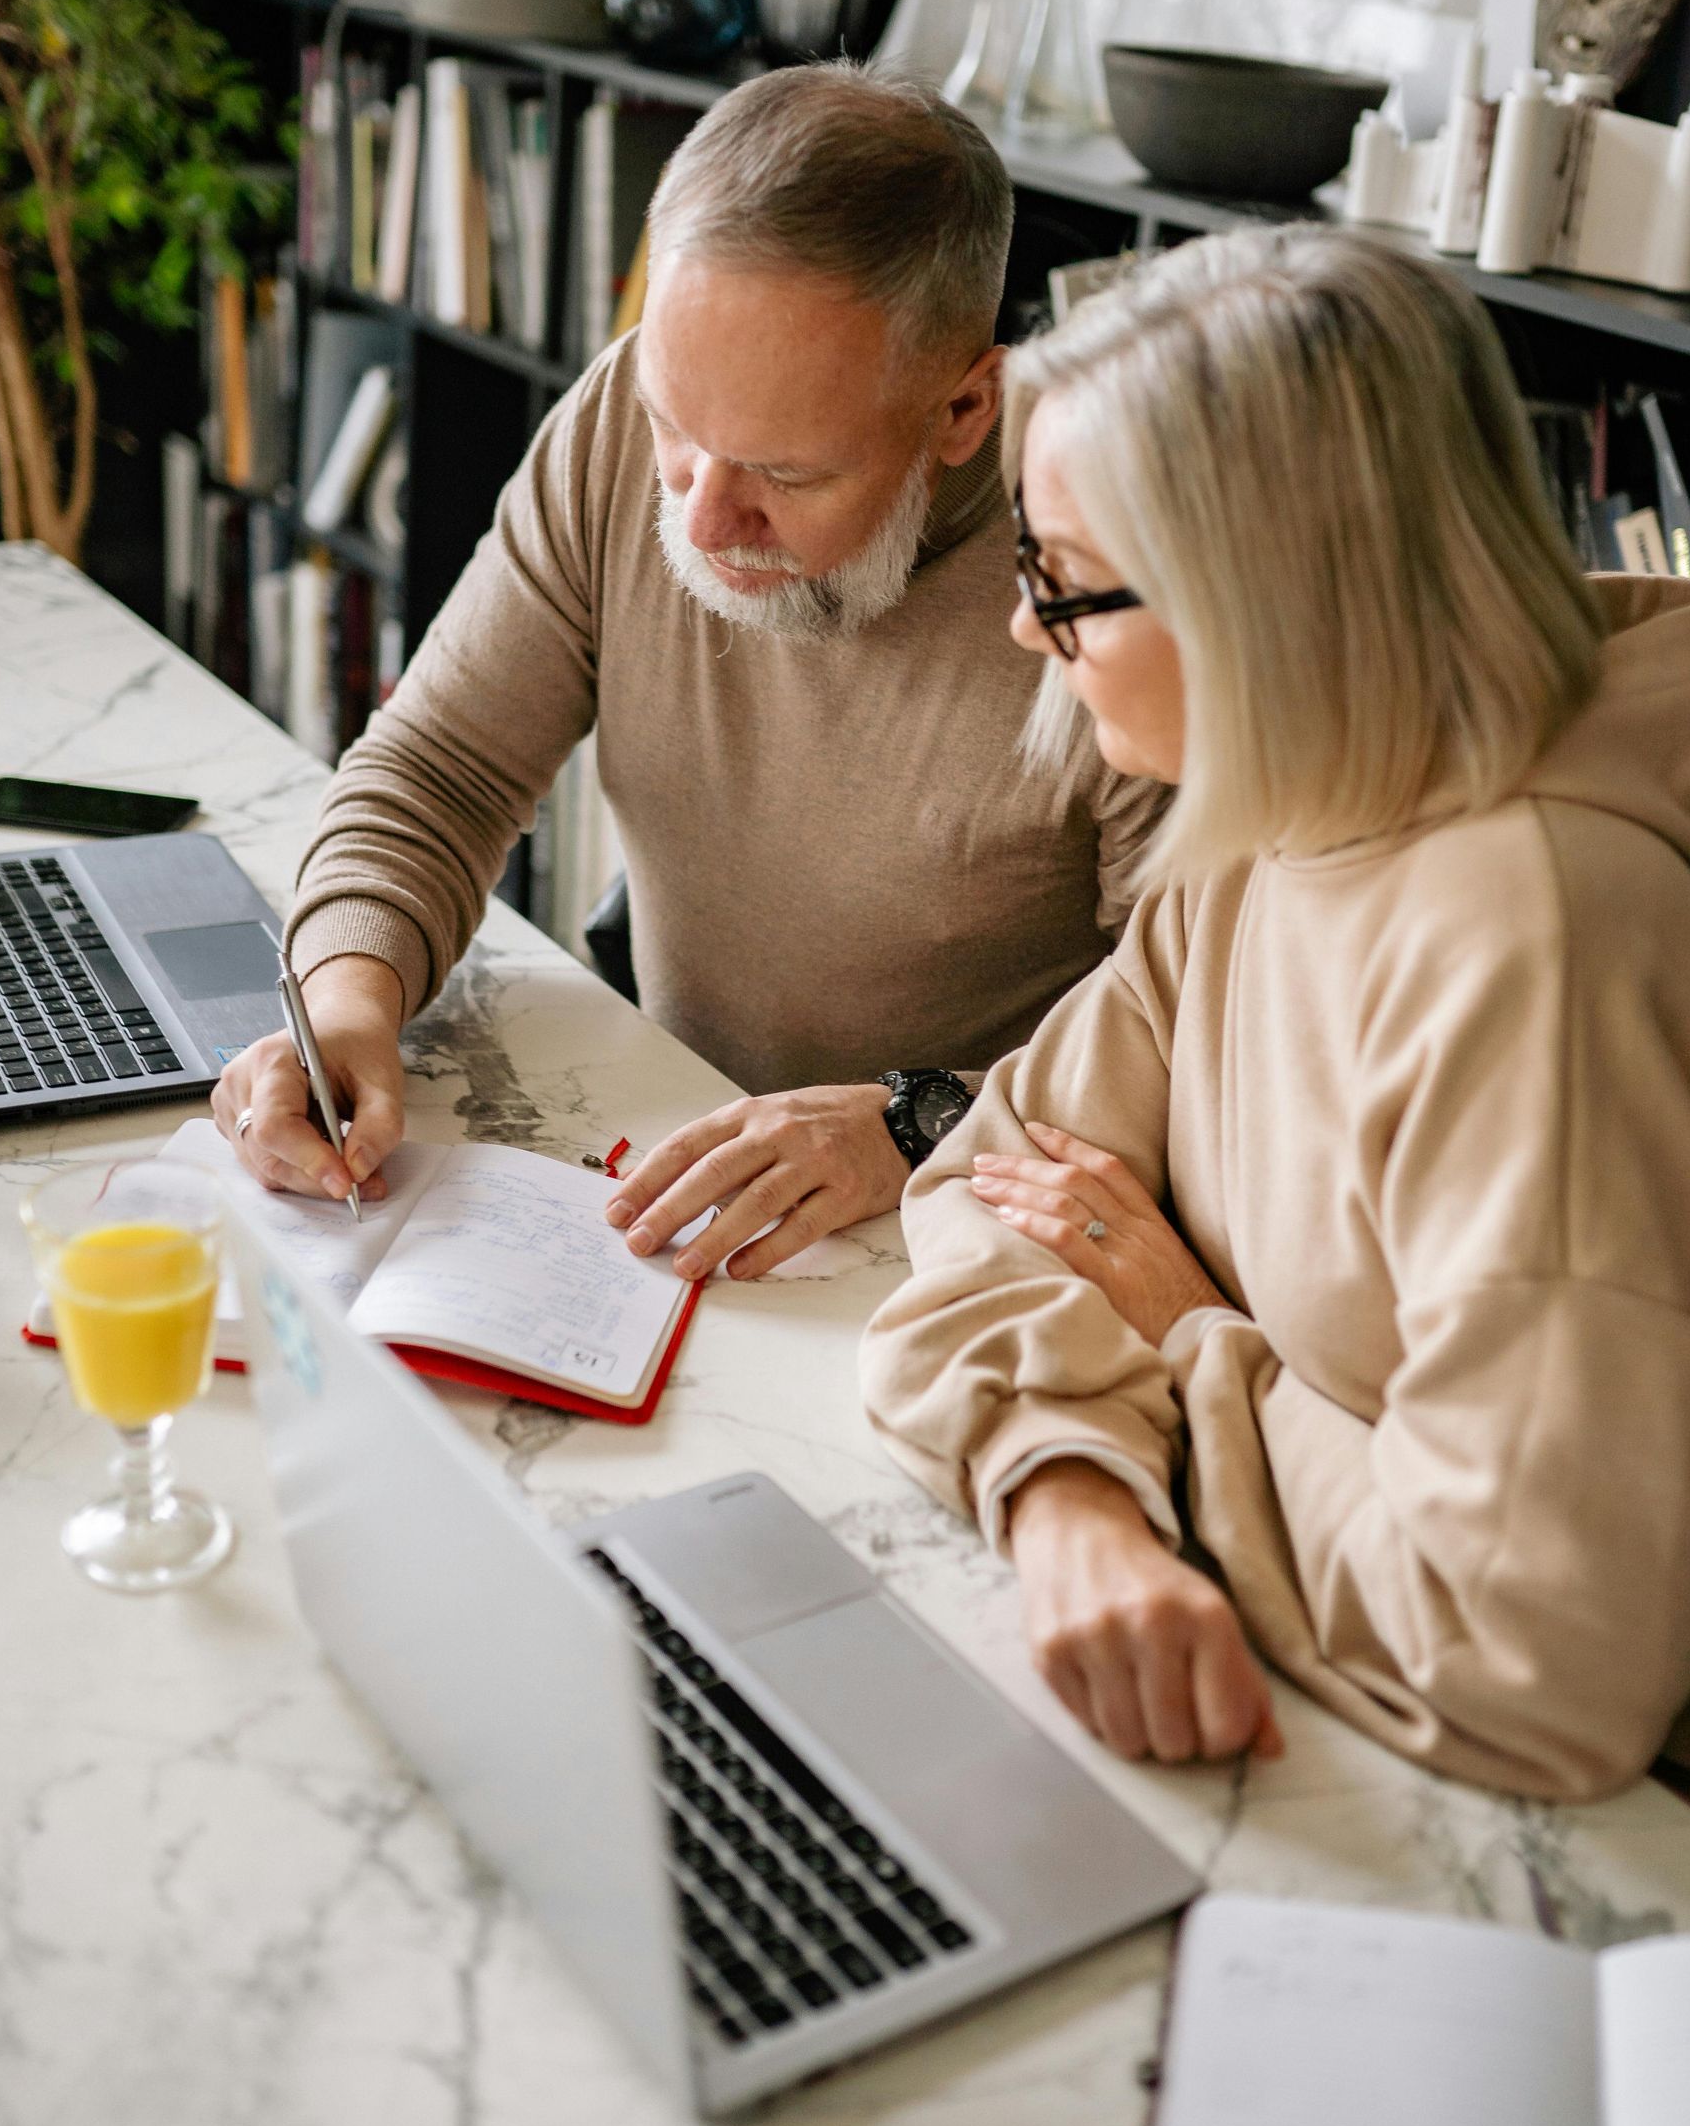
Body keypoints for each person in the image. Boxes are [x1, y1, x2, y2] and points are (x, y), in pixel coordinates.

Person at [860, 224, 1690, 1924]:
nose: (1030, 633)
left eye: (1066, 579)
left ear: (1265, 606)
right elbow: (989, 1189)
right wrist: (1068, 1499)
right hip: (1383, 1746)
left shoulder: (1539, 942)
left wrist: (1188, 1340)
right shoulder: (1269, 823)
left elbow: (1520, 1655)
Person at [214, 65, 1162, 1280]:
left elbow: (1196, 1039)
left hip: (959, 1228)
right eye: (678, 427)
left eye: (788, 473)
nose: (704, 520)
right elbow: (442, 766)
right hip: (662, 1135)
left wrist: (914, 1122)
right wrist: (347, 998)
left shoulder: (1119, 567)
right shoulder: (622, 415)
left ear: (965, 409)